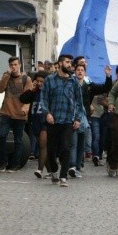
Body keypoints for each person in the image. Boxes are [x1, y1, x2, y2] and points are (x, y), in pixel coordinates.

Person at [40, 54, 85, 187]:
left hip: (67, 121)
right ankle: (54, 170)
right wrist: (47, 113)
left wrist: (78, 118)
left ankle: (63, 176)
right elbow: (43, 99)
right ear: (59, 64)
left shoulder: (74, 81)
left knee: (66, 148)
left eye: (71, 62)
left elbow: (79, 102)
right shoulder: (50, 80)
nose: (70, 65)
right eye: (67, 62)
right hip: (52, 120)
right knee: (52, 150)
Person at [70, 62, 112, 178]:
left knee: (81, 143)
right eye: (77, 69)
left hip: (85, 116)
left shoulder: (89, 85)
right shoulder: (70, 84)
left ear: (84, 73)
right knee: (73, 142)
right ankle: (72, 166)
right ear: (75, 72)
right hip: (72, 116)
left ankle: (77, 166)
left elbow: (105, 87)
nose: (79, 71)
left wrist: (108, 76)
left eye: (82, 70)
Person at [0, 56, 33, 172]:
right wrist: (6, 76)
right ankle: (3, 162)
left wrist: (25, 108)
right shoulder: (6, 76)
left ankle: (15, 164)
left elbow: (29, 97)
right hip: (6, 112)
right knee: (2, 136)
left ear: (20, 65)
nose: (13, 67)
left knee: (18, 140)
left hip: (19, 114)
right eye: (11, 65)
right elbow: (0, 89)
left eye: (16, 65)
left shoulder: (26, 79)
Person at [19, 70, 52, 179]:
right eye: (37, 81)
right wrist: (31, 90)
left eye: (42, 81)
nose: (39, 83)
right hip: (34, 121)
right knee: (43, 147)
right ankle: (51, 171)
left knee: (43, 146)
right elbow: (22, 99)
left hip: (45, 122)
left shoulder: (49, 92)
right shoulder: (34, 92)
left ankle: (39, 169)